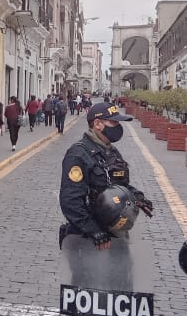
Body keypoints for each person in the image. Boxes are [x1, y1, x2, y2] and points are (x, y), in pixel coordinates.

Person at [59, 101, 154, 250]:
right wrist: (93, 230)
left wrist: (136, 196)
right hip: (88, 241)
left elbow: (117, 186)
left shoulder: (112, 151)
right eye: (113, 122)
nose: (118, 127)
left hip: (116, 233)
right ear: (97, 124)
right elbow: (70, 201)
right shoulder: (78, 154)